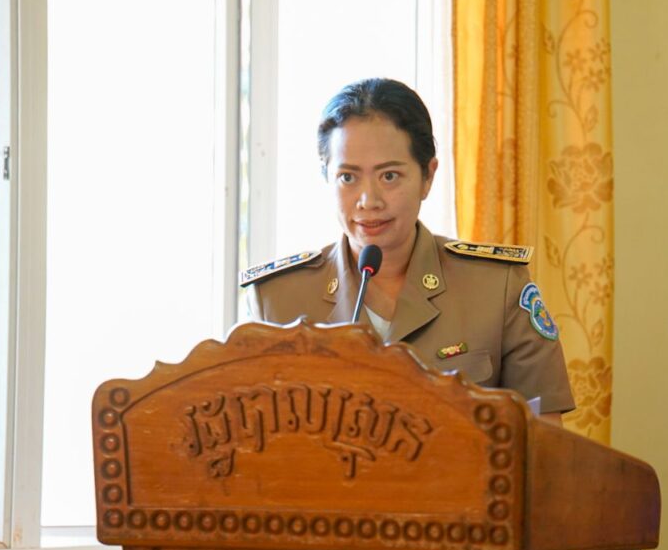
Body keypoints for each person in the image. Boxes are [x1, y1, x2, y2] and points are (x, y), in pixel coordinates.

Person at [241, 78, 574, 425]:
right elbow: (249, 438)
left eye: (389, 176)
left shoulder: (497, 287)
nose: (368, 201)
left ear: (427, 177)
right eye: (348, 178)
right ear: (327, 177)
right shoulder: (276, 302)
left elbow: (545, 440)